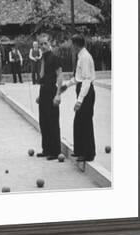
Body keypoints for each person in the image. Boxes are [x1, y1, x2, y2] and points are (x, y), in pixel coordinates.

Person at [60, 34, 96, 162]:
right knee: (79, 121)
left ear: (76, 45)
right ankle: (80, 150)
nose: (70, 47)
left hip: (85, 92)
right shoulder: (80, 56)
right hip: (81, 88)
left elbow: (86, 80)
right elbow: (77, 78)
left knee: (85, 122)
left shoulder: (85, 57)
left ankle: (88, 153)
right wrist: (67, 85)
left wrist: (80, 100)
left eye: (71, 44)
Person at [35, 33, 63, 160]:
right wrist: (40, 95)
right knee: (44, 121)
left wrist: (58, 94)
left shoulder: (54, 57)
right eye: (41, 44)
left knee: (52, 121)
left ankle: (55, 151)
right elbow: (43, 77)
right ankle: (46, 149)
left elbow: (60, 76)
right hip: (43, 91)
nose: (43, 46)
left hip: (52, 91)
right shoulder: (43, 58)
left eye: (45, 43)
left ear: (49, 43)